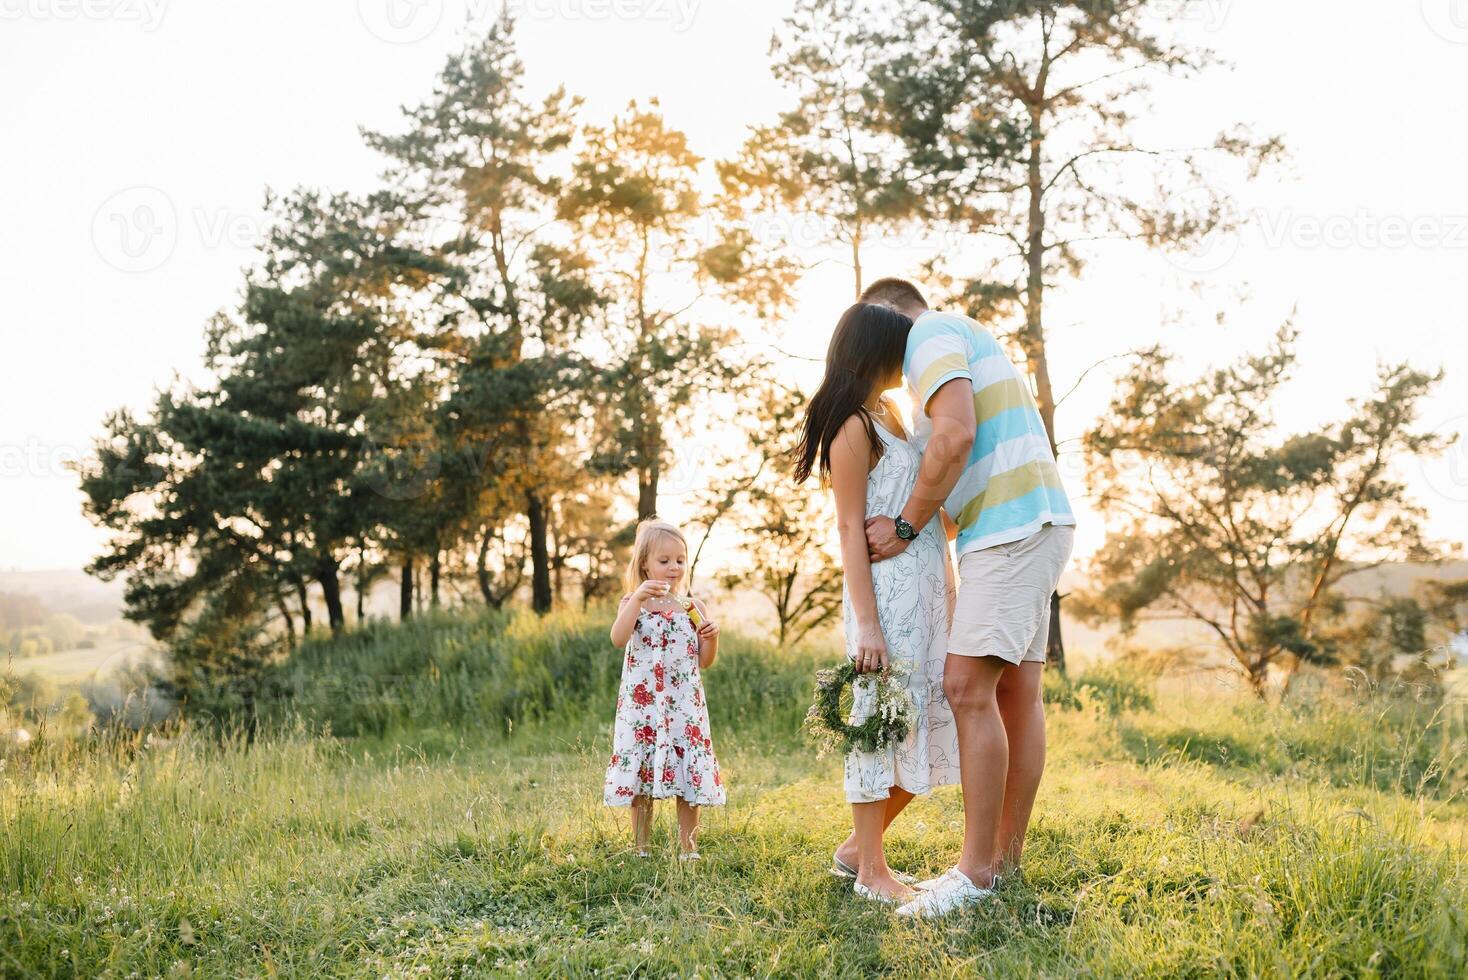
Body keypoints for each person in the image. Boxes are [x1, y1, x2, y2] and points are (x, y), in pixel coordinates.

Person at [859, 277, 1076, 918]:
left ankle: (975, 873)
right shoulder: (962, 342)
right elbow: (959, 464)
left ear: (887, 315)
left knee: (965, 689)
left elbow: (953, 440)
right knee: (1015, 694)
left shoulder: (928, 334)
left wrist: (902, 526)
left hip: (1010, 530)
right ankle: (1001, 864)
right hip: (1030, 521)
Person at [792, 302, 960, 904]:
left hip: (926, 591)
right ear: (876, 353)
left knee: (929, 720)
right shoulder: (851, 427)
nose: (909, 360)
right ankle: (872, 873)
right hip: (884, 602)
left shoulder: (887, 413)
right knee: (879, 727)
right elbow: (848, 530)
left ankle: (856, 854)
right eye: (900, 349)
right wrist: (866, 624)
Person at [603, 519, 724, 859]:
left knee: (688, 775)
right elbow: (617, 638)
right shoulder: (633, 603)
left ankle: (688, 848)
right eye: (664, 560)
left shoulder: (692, 607)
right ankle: (642, 847)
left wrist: (712, 638)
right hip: (643, 707)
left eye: (680, 560)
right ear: (645, 563)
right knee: (641, 772)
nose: (673, 568)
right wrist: (638, 598)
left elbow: (705, 661)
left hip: (683, 705)